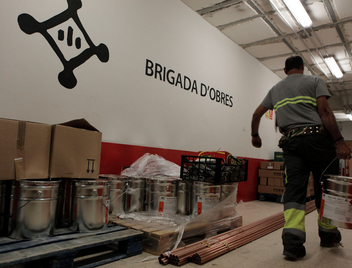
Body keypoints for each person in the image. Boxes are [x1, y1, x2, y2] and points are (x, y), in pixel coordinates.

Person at [251, 55, 351, 260]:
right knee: (326, 188)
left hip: (291, 143)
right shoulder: (314, 81)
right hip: (317, 140)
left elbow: (256, 114)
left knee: (294, 190)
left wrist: (255, 136)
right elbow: (323, 111)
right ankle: (328, 235)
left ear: (285, 70)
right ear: (302, 67)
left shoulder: (275, 89)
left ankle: (292, 245)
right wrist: (340, 141)